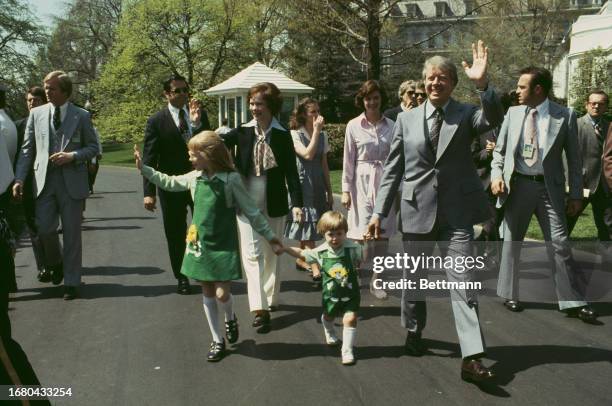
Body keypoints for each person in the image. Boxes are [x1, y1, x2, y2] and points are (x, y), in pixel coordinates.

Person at [366, 41, 504, 383]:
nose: (435, 83)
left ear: (453, 82)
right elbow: (393, 170)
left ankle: (471, 357)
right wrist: (377, 214)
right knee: (414, 281)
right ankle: (414, 330)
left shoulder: (466, 113)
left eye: (442, 77)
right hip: (415, 212)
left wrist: (483, 85)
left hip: (456, 216)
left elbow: (495, 117)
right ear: (423, 82)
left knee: (464, 282)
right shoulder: (406, 120)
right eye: (430, 77)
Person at [135, 132, 283, 361]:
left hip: (223, 244)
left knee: (223, 293)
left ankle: (230, 318)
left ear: (209, 155)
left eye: (194, 155)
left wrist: (270, 236)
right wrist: (145, 169)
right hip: (199, 244)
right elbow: (170, 182)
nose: (190, 159)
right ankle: (217, 340)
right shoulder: (195, 178)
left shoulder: (230, 180)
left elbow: (252, 211)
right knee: (207, 291)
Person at [491, 67, 598, 323]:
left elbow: (574, 159)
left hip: (550, 189)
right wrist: (496, 175)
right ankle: (510, 293)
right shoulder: (513, 113)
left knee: (560, 243)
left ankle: (572, 300)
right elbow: (499, 151)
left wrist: (575, 195)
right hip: (518, 187)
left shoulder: (565, 115)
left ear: (538, 89)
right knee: (512, 242)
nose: (517, 91)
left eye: (521, 86)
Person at [221, 82, 303, 333]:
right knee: (252, 255)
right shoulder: (242, 132)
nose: (254, 108)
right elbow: (213, 142)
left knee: (272, 252)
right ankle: (259, 308)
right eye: (252, 103)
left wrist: (297, 203)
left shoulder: (281, 135)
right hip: (246, 203)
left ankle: (269, 298)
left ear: (271, 107)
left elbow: (291, 172)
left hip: (274, 200)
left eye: (259, 104)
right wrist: (196, 124)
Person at [13, 71, 99, 300]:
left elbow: (93, 148)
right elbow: (27, 150)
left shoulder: (81, 115)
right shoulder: (37, 114)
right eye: (46, 87)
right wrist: (19, 179)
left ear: (65, 92)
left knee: (72, 235)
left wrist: (72, 156)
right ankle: (57, 262)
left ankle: (72, 282)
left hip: (72, 183)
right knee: (45, 230)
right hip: (44, 182)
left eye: (52, 88)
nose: (47, 92)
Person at [142, 74, 209, 295]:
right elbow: (149, 159)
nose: (183, 94)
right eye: (177, 90)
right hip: (171, 185)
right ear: (167, 94)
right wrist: (149, 192)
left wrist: (197, 123)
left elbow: (209, 145)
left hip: (199, 182)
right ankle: (181, 276)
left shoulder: (198, 115)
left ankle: (200, 268)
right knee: (175, 231)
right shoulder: (156, 121)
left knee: (201, 227)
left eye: (185, 90)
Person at [342, 79, 396, 300]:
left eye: (375, 97)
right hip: (361, 183)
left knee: (382, 235)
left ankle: (378, 278)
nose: (372, 102)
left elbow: (397, 159)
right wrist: (345, 189)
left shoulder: (393, 126)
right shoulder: (353, 126)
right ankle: (354, 274)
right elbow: (348, 160)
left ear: (381, 98)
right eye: (368, 98)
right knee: (360, 236)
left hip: (386, 181)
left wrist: (397, 188)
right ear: (362, 101)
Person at [284, 211, 361, 365]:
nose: (335, 238)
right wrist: (285, 249)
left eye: (339, 233)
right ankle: (329, 331)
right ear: (323, 234)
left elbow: (362, 259)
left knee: (350, 319)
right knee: (328, 316)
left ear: (345, 232)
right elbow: (301, 252)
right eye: (330, 234)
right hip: (331, 295)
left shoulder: (352, 248)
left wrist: (365, 247)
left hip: (351, 293)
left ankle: (347, 351)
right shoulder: (320, 252)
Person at [284, 98, 333, 278]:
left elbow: (324, 164)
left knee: (315, 226)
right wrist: (316, 132)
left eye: (318, 111)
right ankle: (315, 268)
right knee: (307, 223)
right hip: (302, 183)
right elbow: (308, 154)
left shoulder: (323, 135)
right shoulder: (295, 134)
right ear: (304, 115)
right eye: (313, 112)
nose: (317, 116)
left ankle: (301, 259)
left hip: (318, 183)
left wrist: (329, 191)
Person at [13, 87, 49, 283]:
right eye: (29, 100)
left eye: (36, 100)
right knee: (34, 226)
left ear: (44, 101)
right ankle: (42, 266)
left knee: (47, 226)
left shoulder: (52, 124)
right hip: (27, 183)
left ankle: (54, 260)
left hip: (48, 183)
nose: (32, 103)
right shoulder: (18, 126)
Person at [566, 90, 611, 243]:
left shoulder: (609, 127)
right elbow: (568, 157)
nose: (596, 106)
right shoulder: (576, 125)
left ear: (606, 107)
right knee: (567, 223)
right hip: (581, 184)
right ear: (587, 105)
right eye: (593, 103)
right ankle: (557, 261)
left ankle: (606, 263)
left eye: (601, 104)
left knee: (606, 227)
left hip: (604, 187)